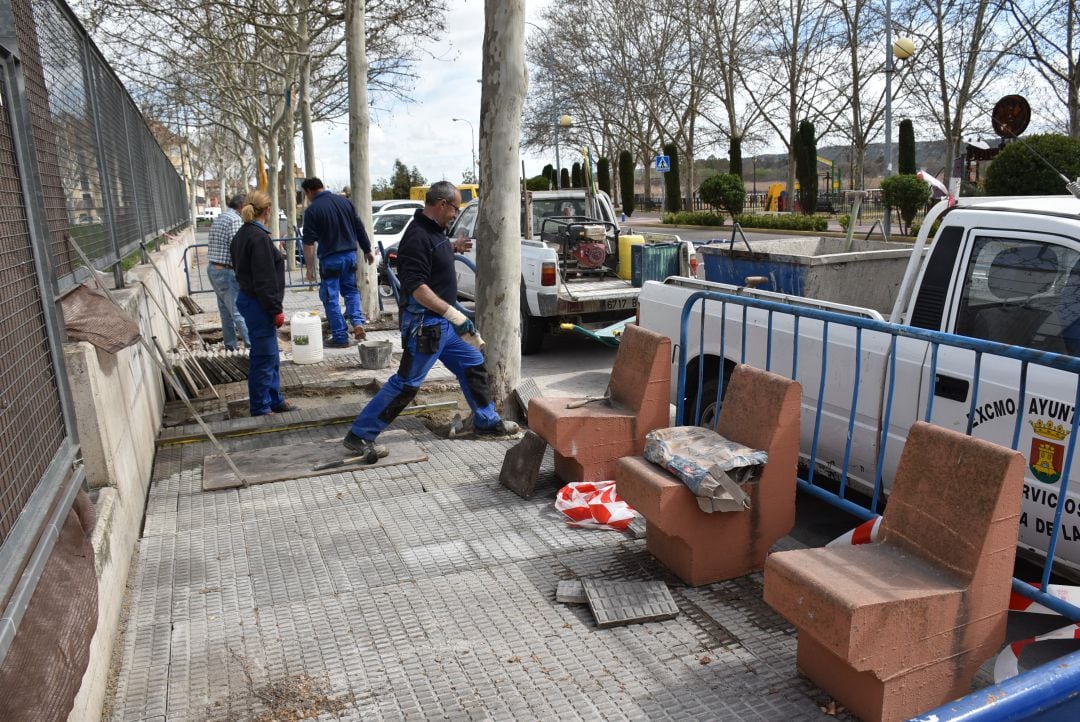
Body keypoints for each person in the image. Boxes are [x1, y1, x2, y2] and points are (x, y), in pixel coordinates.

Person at [344, 181, 519, 462]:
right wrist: (454, 314)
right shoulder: (416, 238)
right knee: (406, 383)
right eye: (454, 208)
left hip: (443, 327)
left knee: (473, 363)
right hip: (425, 327)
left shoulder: (432, 232)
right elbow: (416, 287)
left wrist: (453, 247)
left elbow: (434, 251)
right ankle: (360, 434)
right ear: (441, 204)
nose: (455, 214)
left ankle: (486, 421)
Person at [231, 190, 296, 417]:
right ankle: (260, 406)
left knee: (271, 354)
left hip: (252, 300)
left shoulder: (244, 234)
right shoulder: (258, 238)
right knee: (265, 356)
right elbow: (264, 280)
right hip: (258, 303)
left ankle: (274, 399)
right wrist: (275, 309)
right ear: (268, 211)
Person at [300, 177, 374, 348]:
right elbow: (359, 227)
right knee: (351, 291)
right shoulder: (345, 202)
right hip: (350, 256)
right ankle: (357, 323)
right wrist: (367, 250)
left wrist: (309, 268)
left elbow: (308, 244)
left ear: (309, 191)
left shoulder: (312, 211)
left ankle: (340, 336)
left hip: (330, 259)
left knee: (331, 298)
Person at [206, 194, 250, 350]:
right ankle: (252, 346)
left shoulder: (222, 217)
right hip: (225, 271)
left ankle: (230, 346)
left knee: (226, 312)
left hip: (214, 269)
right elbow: (237, 247)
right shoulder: (235, 220)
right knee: (238, 311)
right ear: (242, 206)